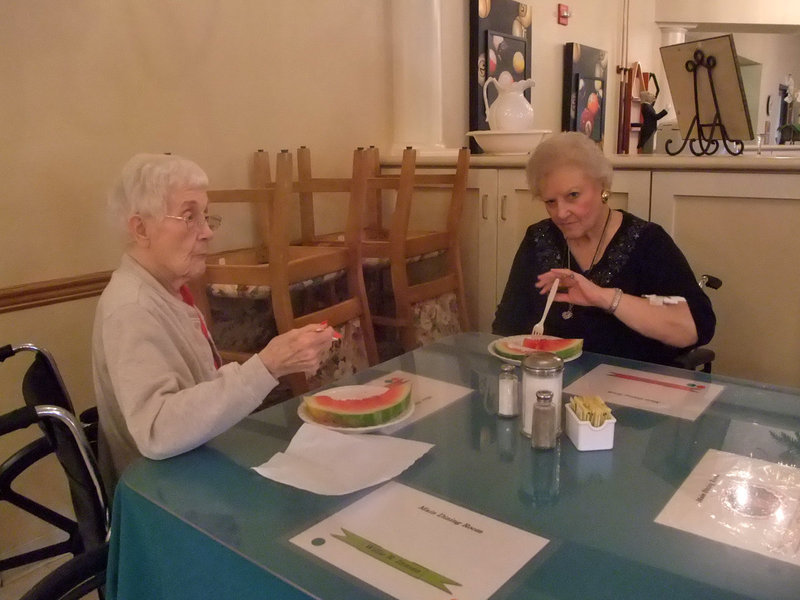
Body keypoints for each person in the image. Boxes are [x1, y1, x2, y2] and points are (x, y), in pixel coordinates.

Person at [93, 153, 334, 492]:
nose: (207, 232)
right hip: (163, 495)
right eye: (189, 216)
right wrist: (267, 365)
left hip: (193, 468)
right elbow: (156, 431)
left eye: (205, 217)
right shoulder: (131, 308)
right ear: (141, 228)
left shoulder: (163, 292)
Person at [493, 132, 715, 366]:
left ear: (602, 186)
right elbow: (507, 325)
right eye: (550, 201)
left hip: (631, 388)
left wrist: (604, 297)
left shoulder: (647, 242)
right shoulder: (539, 239)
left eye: (573, 195)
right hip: (551, 385)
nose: (561, 212)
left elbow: (694, 328)